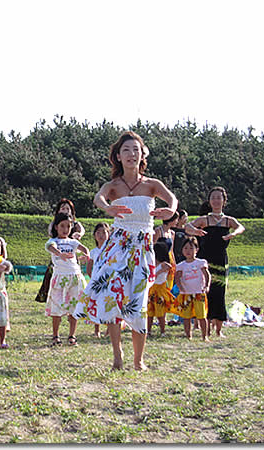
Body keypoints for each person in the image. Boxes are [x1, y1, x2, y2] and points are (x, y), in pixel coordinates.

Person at [72, 131, 178, 371]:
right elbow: (98, 198)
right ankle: (117, 356)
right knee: (113, 299)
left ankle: (138, 360)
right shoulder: (114, 185)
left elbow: (172, 199)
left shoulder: (152, 185)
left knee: (138, 302)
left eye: (136, 150)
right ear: (118, 156)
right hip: (116, 249)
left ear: (142, 155)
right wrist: (108, 208)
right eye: (127, 150)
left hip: (142, 248)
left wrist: (170, 210)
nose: (132, 154)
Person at [185, 186, 245, 338]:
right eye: (213, 198)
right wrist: (195, 231)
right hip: (205, 261)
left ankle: (218, 329)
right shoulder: (205, 219)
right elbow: (187, 226)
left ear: (224, 201)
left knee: (219, 293)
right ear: (209, 201)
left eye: (219, 198)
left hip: (220, 261)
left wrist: (233, 234)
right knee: (206, 292)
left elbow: (240, 227)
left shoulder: (227, 220)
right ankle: (206, 329)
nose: (216, 200)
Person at [45, 212, 90, 346]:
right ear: (56, 227)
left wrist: (86, 256)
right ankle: (55, 335)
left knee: (74, 308)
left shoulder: (73, 242)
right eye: (62, 226)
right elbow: (49, 247)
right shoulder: (53, 241)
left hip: (74, 277)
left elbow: (84, 248)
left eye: (68, 226)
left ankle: (72, 335)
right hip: (60, 277)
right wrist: (60, 254)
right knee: (56, 308)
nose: (65, 229)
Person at [35, 198, 85, 303]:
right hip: (58, 254)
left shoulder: (75, 224)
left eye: (68, 208)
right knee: (52, 276)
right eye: (63, 208)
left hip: (71, 256)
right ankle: (52, 298)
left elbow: (81, 231)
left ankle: (73, 298)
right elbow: (50, 234)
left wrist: (78, 235)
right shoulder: (54, 224)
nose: (65, 210)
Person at [171, 237, 211, 341]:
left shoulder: (201, 263)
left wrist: (207, 286)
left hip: (199, 293)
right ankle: (188, 335)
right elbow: (177, 277)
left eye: (191, 248)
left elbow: (207, 275)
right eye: (185, 248)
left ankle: (204, 336)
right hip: (186, 294)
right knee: (186, 316)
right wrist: (180, 287)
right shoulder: (181, 265)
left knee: (201, 316)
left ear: (196, 249)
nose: (188, 251)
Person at [86, 222, 111, 338]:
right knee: (96, 305)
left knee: (108, 305)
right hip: (97, 283)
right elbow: (89, 268)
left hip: (109, 282)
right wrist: (93, 279)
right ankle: (97, 330)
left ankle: (109, 330)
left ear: (109, 234)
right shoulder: (93, 252)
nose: (101, 235)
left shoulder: (112, 251)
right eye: (98, 233)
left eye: (104, 232)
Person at [147, 241, 175, 337]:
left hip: (160, 290)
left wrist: (160, 270)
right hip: (151, 290)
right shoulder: (151, 264)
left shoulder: (164, 264)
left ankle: (162, 331)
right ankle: (148, 330)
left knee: (160, 312)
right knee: (149, 312)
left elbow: (169, 267)